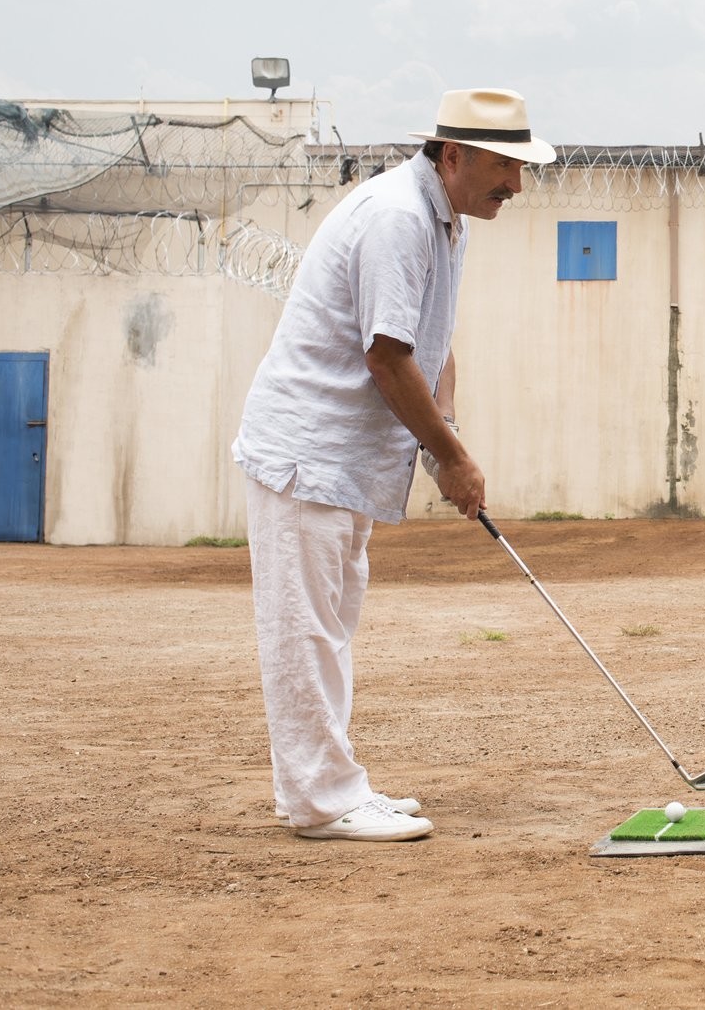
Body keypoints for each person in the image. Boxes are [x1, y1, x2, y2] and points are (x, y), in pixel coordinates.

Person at [232, 88, 555, 842]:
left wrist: (448, 435)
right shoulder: (399, 219)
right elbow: (386, 354)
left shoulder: (446, 222)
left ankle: (330, 784)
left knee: (330, 623)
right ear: (454, 155)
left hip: (343, 460)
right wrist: (453, 458)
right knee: (305, 628)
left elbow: (431, 343)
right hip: (306, 451)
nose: (516, 184)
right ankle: (320, 800)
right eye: (505, 166)